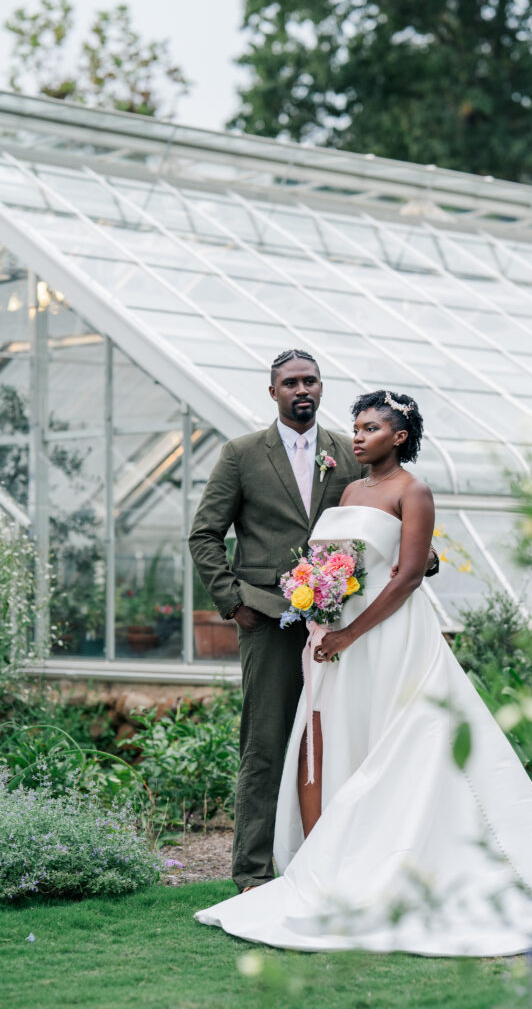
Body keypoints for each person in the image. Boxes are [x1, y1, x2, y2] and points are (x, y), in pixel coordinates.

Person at [195, 390, 532, 955]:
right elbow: (331, 563)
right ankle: (338, 861)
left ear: (398, 437)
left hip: (389, 636)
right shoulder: (349, 488)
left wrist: (351, 630)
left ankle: (413, 858)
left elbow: (407, 576)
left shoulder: (413, 491)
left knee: (403, 745)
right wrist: (318, 605)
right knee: (339, 744)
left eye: (370, 427)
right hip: (338, 641)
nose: (357, 435)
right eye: (356, 426)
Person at [189, 354, 438, 893]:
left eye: (310, 380)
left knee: (337, 741)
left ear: (320, 387)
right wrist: (234, 602)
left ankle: (332, 860)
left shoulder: (347, 452)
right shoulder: (241, 455)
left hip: (341, 623)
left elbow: (386, 516)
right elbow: (205, 534)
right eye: (290, 383)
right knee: (266, 741)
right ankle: (253, 872)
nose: (302, 389)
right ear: (273, 391)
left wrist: (422, 560)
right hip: (268, 620)